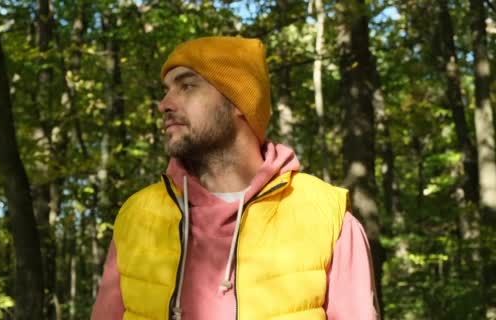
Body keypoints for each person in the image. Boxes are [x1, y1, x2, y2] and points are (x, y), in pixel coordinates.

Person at [91, 36, 378, 320]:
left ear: (239, 101)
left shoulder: (324, 215)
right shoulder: (138, 216)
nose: (164, 104)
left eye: (187, 86)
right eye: (166, 90)